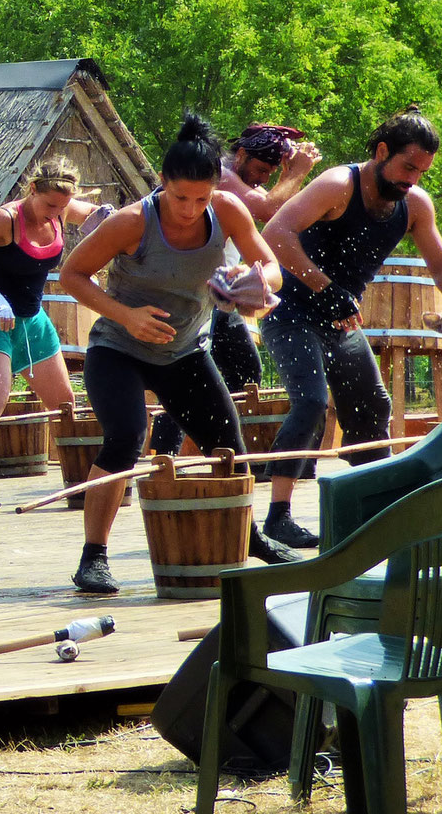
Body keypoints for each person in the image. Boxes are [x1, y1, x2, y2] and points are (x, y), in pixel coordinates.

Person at [58, 114, 291, 595]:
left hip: (185, 352)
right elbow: (72, 275)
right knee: (126, 437)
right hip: (118, 348)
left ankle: (246, 536)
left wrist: (255, 283)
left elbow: (271, 268)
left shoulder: (228, 209)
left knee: (229, 447)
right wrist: (127, 316)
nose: (190, 209)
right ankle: (93, 558)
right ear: (162, 183)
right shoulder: (130, 222)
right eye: (180, 197)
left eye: (201, 198)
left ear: (215, 189)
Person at [256, 107, 442, 549]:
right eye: (407, 166)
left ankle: (374, 510)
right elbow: (275, 231)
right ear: (381, 151)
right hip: (293, 311)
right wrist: (323, 285)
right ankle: (277, 517)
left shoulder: (415, 205)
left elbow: (441, 262)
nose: (412, 179)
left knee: (372, 407)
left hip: (339, 320)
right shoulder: (339, 184)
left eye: (421, 171)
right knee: (312, 404)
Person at [0, 158, 105, 512]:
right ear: (32, 190)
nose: (55, 214)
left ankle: (82, 480)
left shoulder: (61, 208)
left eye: (62, 207)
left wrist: (107, 220)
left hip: (33, 323)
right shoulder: (5, 220)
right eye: (49, 205)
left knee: (64, 406)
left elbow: (104, 216)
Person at [147, 121, 320, 452]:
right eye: (259, 169)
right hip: (189, 294)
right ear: (240, 154)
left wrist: (289, 177)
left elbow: (271, 206)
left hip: (220, 295)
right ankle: (166, 456)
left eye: (271, 173)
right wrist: (297, 173)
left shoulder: (236, 181)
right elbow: (268, 208)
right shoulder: (217, 177)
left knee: (245, 371)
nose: (263, 179)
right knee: (183, 379)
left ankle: (218, 450)